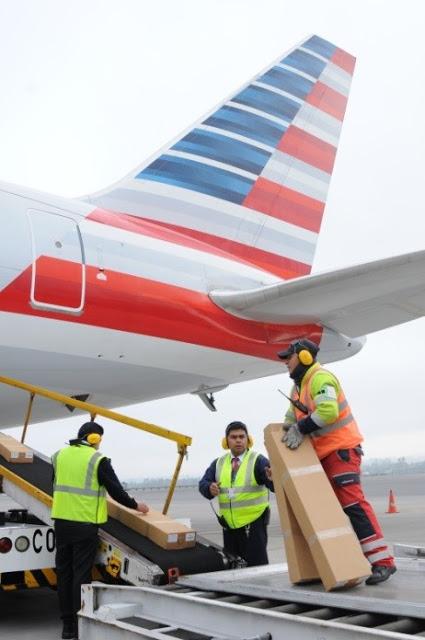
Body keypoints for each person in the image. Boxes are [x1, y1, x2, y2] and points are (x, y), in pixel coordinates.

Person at [277, 338, 397, 586]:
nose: (285, 363)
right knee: (329, 510)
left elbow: (328, 412)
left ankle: (383, 562)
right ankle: (338, 563)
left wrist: (300, 428)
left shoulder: (320, 378)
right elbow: (289, 419)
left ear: (304, 357)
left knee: (353, 505)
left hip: (340, 452)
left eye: (288, 357)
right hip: (322, 456)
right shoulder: (297, 387)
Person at [51, 421, 149, 640]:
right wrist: (136, 505)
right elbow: (116, 491)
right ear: (94, 438)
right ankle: (80, 625)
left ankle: (67, 627)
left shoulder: (58, 455)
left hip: (62, 524)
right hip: (84, 525)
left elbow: (56, 485)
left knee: (64, 574)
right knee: (81, 575)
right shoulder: (97, 459)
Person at [199, 421, 274, 567]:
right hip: (230, 527)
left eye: (242, 436)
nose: (238, 440)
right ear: (226, 441)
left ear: (248, 439)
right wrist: (209, 488)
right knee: (233, 567)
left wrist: (273, 479)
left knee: (256, 567)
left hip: (253, 525)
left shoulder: (258, 460)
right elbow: (203, 484)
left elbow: (273, 485)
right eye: (234, 437)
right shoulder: (219, 463)